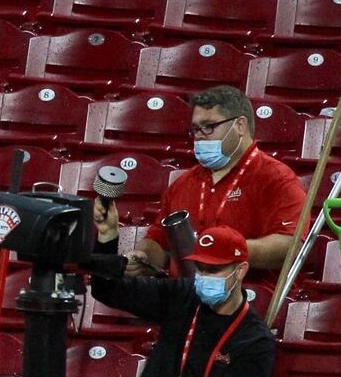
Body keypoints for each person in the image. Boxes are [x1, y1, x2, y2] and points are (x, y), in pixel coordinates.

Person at [85, 225, 275, 377]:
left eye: (214, 270)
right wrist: (107, 239)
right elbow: (108, 290)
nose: (204, 276)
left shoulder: (255, 340)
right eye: (201, 269)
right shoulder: (183, 295)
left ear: (240, 270)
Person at [101, 86, 306, 278]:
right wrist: (143, 256)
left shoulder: (276, 178)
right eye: (196, 129)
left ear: (240, 126)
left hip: (247, 296)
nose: (199, 137)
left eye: (208, 127)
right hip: (186, 296)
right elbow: (160, 240)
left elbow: (290, 246)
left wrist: (224, 248)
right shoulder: (183, 183)